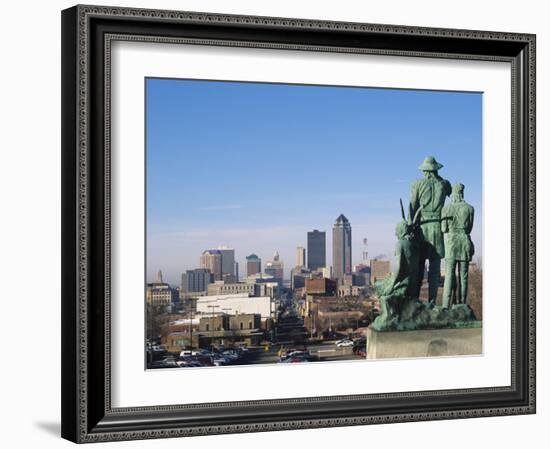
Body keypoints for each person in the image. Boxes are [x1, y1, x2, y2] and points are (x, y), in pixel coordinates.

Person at [409, 156, 451, 305]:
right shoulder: (445, 184)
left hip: (422, 228)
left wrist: (410, 226)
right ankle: (432, 301)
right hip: (438, 227)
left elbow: (412, 207)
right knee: (435, 268)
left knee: (419, 266)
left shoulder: (417, 184)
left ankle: (414, 300)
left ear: (426, 171)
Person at [441, 183, 475, 308]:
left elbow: (444, 228)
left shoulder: (446, 209)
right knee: (464, 274)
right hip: (464, 241)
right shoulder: (470, 209)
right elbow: (470, 228)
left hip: (451, 243)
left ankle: (445, 304)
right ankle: (462, 304)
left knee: (449, 274)